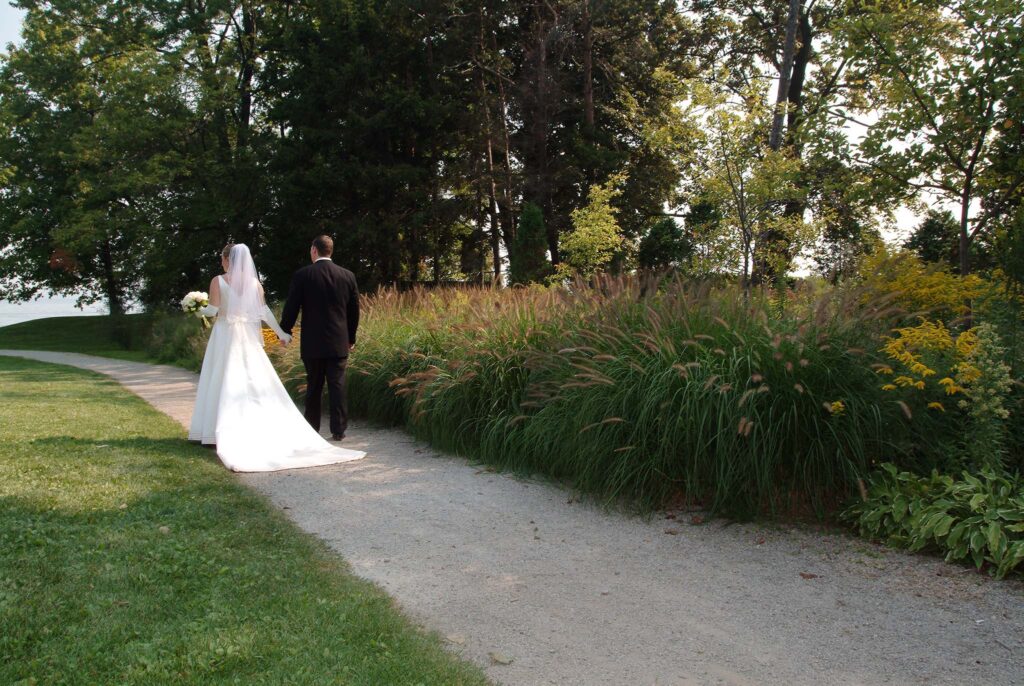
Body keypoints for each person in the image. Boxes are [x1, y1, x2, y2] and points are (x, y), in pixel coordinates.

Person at [187, 243, 365, 471]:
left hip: (225, 335)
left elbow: (212, 311)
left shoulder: (218, 281)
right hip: (249, 339)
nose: (221, 262)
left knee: (222, 379)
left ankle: (214, 432)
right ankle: (333, 430)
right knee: (254, 380)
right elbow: (264, 312)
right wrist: (282, 334)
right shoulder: (254, 284)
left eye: (222, 258)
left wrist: (194, 307)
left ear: (226, 259)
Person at [280, 235, 360, 441]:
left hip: (312, 342)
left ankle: (311, 428)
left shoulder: (303, 275)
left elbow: (292, 306)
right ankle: (339, 430)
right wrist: (351, 337)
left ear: (314, 250)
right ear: (330, 251)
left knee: (313, 385)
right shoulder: (348, 276)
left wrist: (285, 330)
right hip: (338, 340)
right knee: (338, 385)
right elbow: (354, 311)